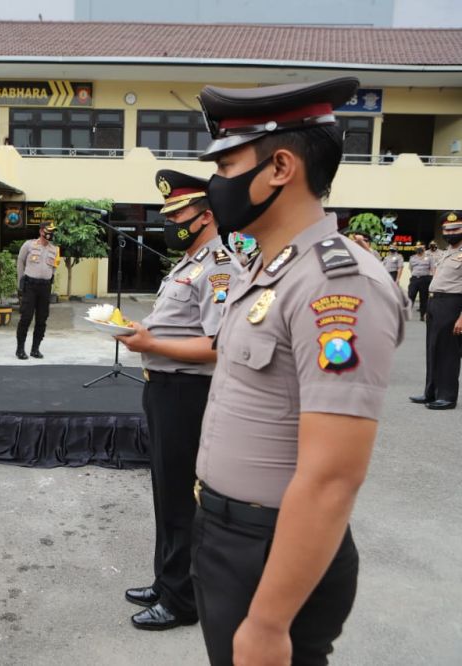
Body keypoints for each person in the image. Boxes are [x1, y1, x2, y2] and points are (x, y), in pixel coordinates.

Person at [191, 76, 408, 665]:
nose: (217, 183)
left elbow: (333, 477)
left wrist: (268, 623)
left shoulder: (337, 284)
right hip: (227, 533)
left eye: (228, 164)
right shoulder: (268, 270)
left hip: (272, 550)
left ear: (280, 167)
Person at [116, 170, 240, 631]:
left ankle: (182, 600)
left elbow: (217, 344)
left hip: (189, 393)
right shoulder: (187, 263)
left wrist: (150, 344)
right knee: (165, 493)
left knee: (182, 498)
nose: (170, 222)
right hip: (164, 388)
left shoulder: (219, 267)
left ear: (206, 216)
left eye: (178, 214)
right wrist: (143, 334)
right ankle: (166, 579)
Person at [409, 212, 462, 410]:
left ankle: (447, 396)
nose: (450, 232)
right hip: (435, 303)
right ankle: (431, 392)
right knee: (433, 349)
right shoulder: (446, 252)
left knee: (448, 351)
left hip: (452, 303)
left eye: (456, 228)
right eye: (447, 230)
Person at [15, 221, 60, 360]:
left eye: (52, 231)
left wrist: (48, 279)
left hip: (45, 287)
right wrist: (21, 281)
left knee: (42, 319)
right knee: (26, 317)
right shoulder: (28, 245)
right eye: (48, 231)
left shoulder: (55, 249)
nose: (50, 234)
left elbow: (54, 268)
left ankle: (35, 349)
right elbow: (20, 262)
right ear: (41, 231)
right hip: (30, 286)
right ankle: (20, 349)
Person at [408, 244, 434, 320]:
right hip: (414, 279)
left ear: (424, 248)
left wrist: (433, 279)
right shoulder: (412, 258)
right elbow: (411, 268)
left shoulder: (429, 258)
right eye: (418, 248)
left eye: (421, 247)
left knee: (424, 298)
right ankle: (406, 314)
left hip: (425, 279)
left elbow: (432, 268)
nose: (419, 249)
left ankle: (422, 315)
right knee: (410, 295)